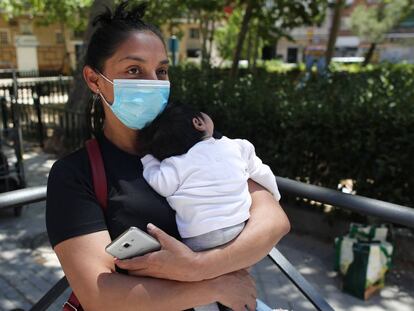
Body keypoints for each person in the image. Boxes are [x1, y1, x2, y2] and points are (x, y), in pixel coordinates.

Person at [46, 2, 290, 311]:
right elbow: (99, 295)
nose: (153, 82)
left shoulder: (194, 139)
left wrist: (196, 267)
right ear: (95, 80)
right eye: (134, 70)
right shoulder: (74, 175)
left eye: (161, 70)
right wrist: (214, 285)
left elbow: (273, 221)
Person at [139, 104, 281, 311]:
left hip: (198, 237)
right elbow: (263, 173)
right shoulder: (237, 146)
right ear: (198, 123)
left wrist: (147, 159)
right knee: (233, 273)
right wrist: (275, 196)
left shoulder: (176, 164)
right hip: (239, 229)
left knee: (202, 285)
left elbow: (160, 183)